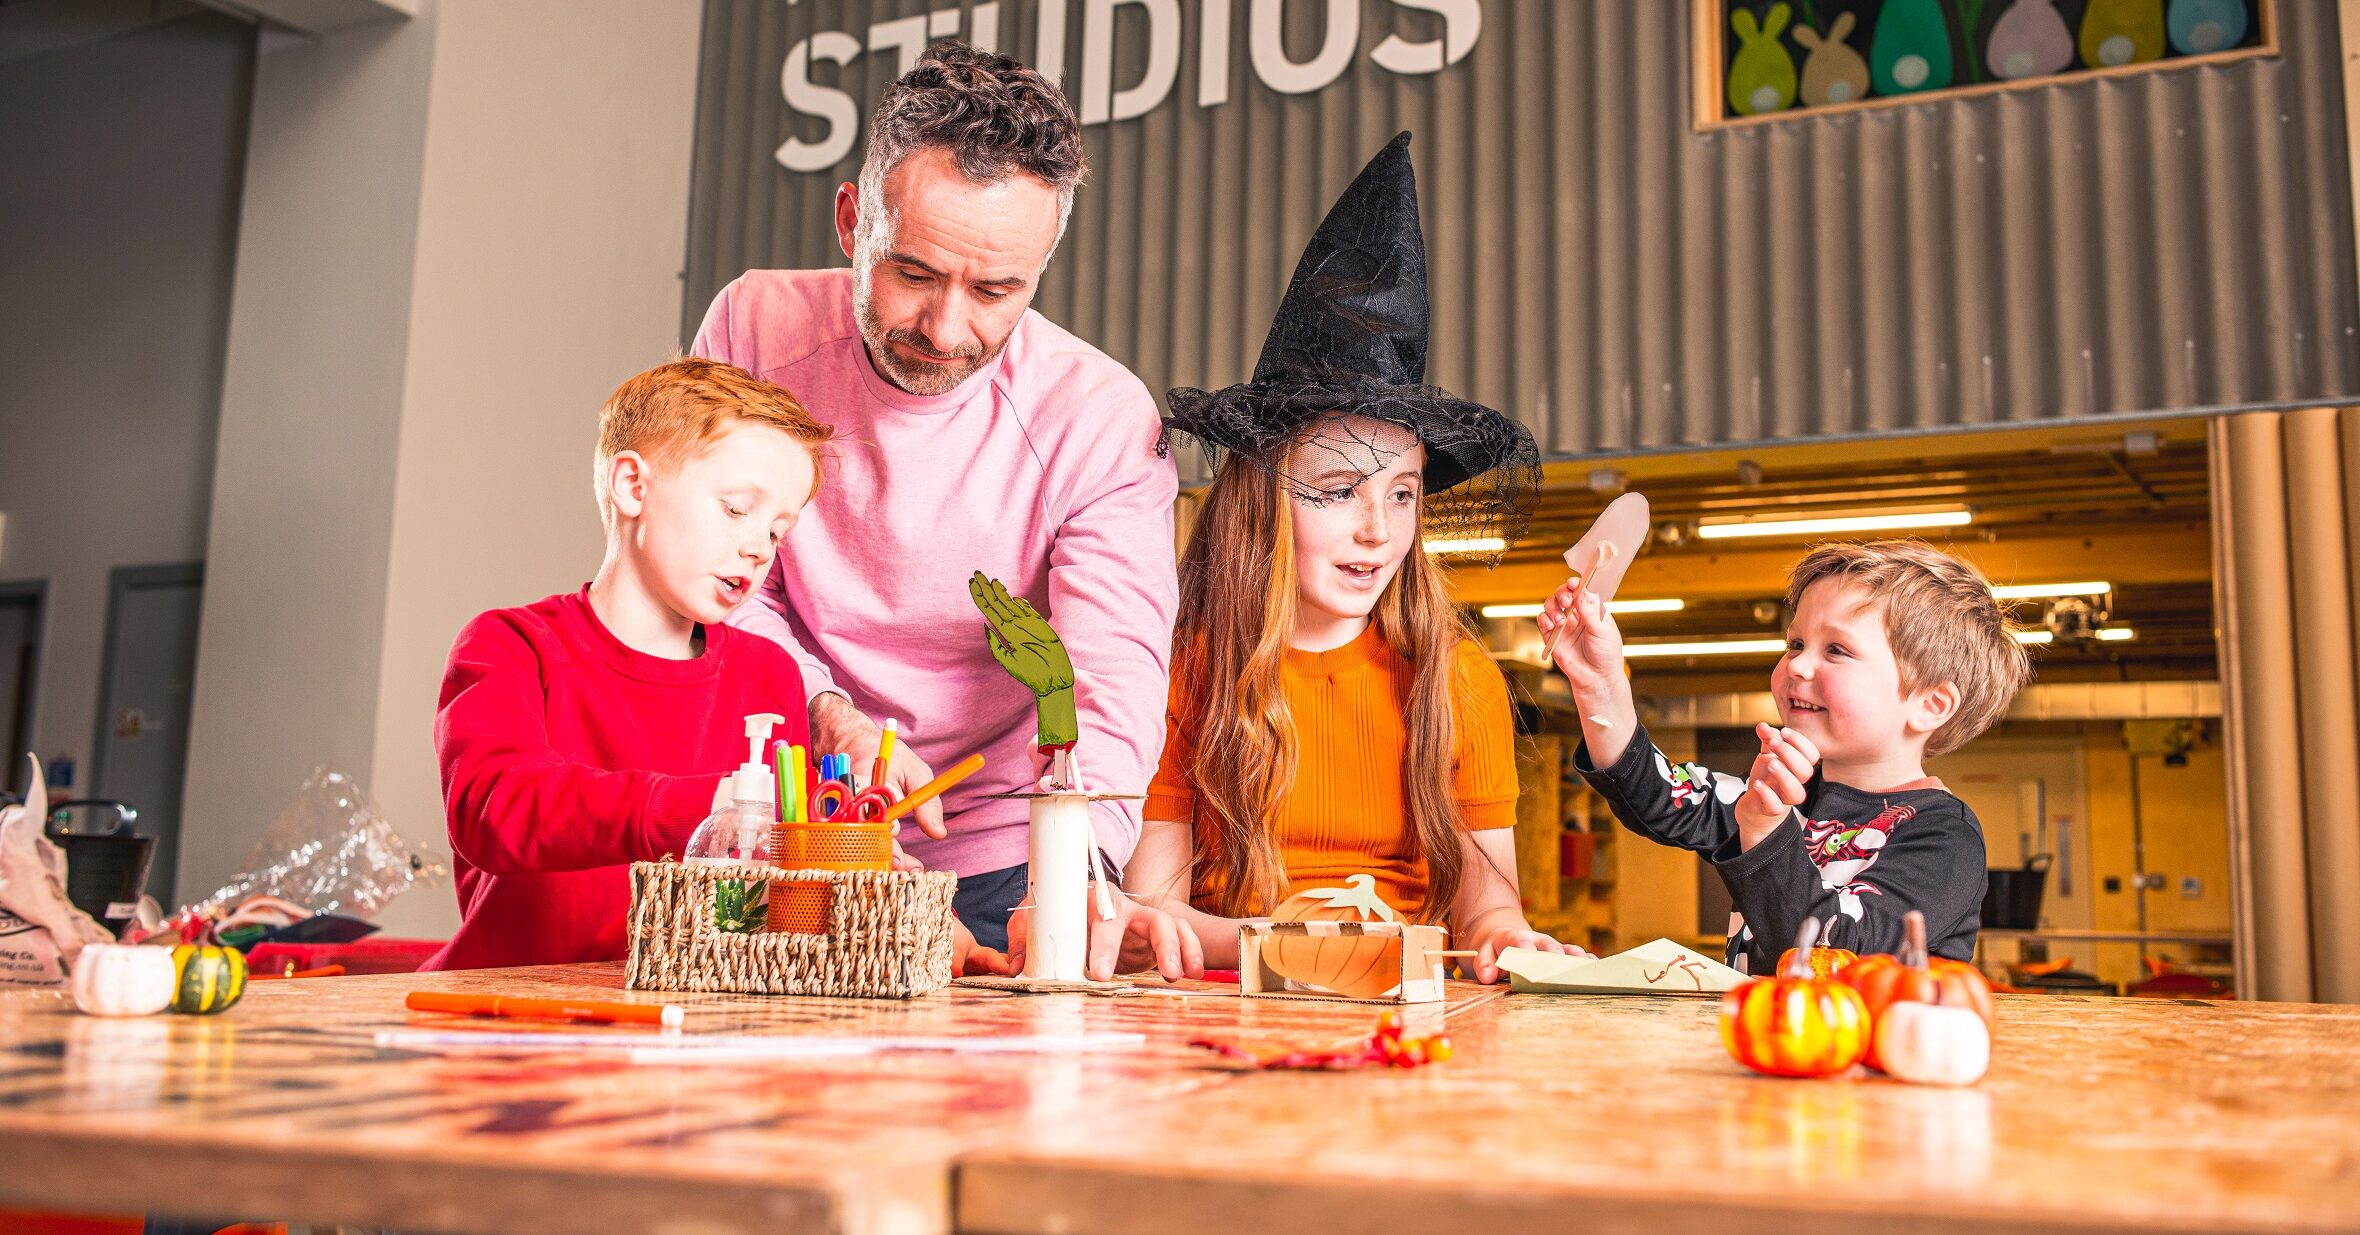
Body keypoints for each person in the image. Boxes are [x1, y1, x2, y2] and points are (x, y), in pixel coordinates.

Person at [431, 359, 1192, 981]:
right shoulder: (509, 646)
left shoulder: (767, 674)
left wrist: (911, 914)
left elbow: (805, 868)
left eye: (778, 529)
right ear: (633, 485)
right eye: (736, 509)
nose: (757, 546)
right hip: (511, 1008)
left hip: (704, 1026)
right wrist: (723, 806)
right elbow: (495, 809)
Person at [693, 42, 1175, 950]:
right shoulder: (753, 331)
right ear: (851, 221)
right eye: (913, 273)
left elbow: (1111, 679)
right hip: (804, 828)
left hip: (1009, 855)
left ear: (1042, 267)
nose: (947, 330)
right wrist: (829, 716)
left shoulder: (1099, 416)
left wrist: (1074, 879)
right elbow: (720, 586)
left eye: (997, 290)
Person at [1124, 134, 1586, 984]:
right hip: (1230, 1012)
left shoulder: (1457, 681)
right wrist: (1305, 947)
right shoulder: (1186, 674)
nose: (1379, 530)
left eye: (1403, 494)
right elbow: (1152, 915)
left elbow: (1490, 909)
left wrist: (1507, 938)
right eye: (1338, 491)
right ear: (1264, 501)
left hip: (1407, 1018)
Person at [1544, 539, 2032, 972]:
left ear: (1930, 705)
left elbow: (1831, 961)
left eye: (1836, 649)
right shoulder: (1784, 797)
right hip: (1762, 1042)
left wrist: (1763, 828)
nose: (1797, 664)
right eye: (1796, 643)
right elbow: (1655, 794)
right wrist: (1600, 686)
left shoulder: (1943, 837)